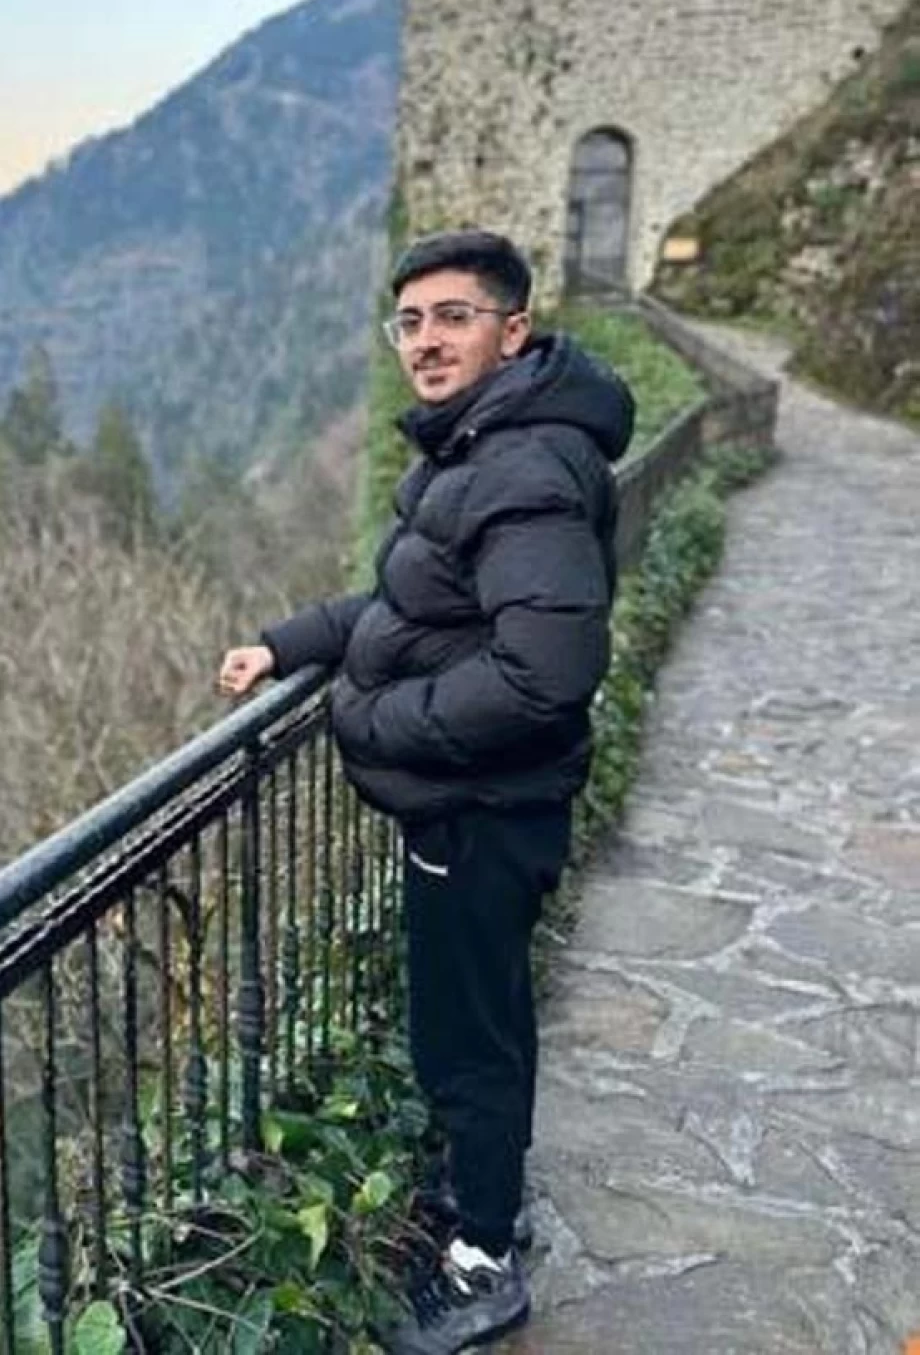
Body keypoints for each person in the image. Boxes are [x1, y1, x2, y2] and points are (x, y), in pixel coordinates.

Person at [217, 229, 634, 1353]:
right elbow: (408, 604)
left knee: (468, 1038)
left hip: (482, 807)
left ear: (514, 331)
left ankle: (483, 1258)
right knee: (476, 1020)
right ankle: (478, 1195)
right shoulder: (481, 449)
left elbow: (544, 674)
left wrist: (374, 720)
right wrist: (288, 644)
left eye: (454, 316)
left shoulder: (521, 468)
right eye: (409, 322)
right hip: (478, 801)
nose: (426, 341)